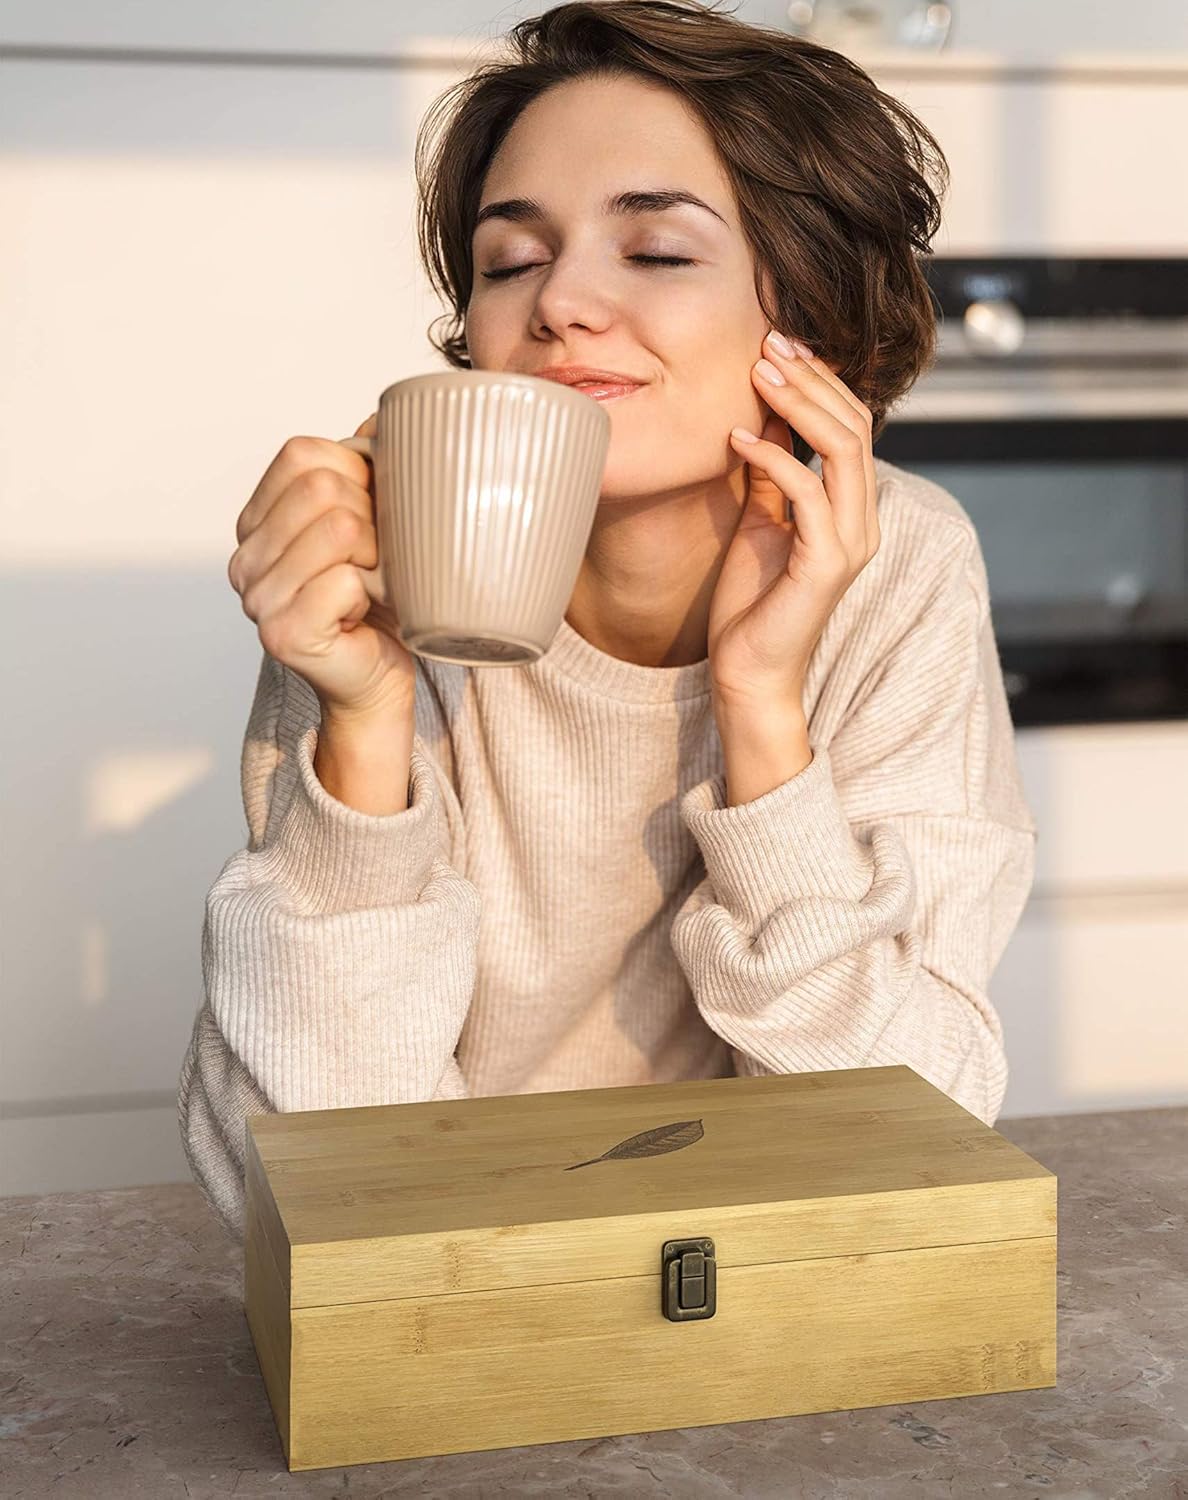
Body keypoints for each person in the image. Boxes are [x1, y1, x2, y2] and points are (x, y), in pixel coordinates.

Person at [179, 0, 1038, 1237]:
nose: (561, 303)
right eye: (510, 261)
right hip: (457, 1305)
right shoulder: (391, 569)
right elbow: (299, 1192)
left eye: (657, 252)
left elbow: (915, 1131)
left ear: (807, 317)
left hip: (765, 1291)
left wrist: (760, 713)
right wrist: (360, 723)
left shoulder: (896, 567)